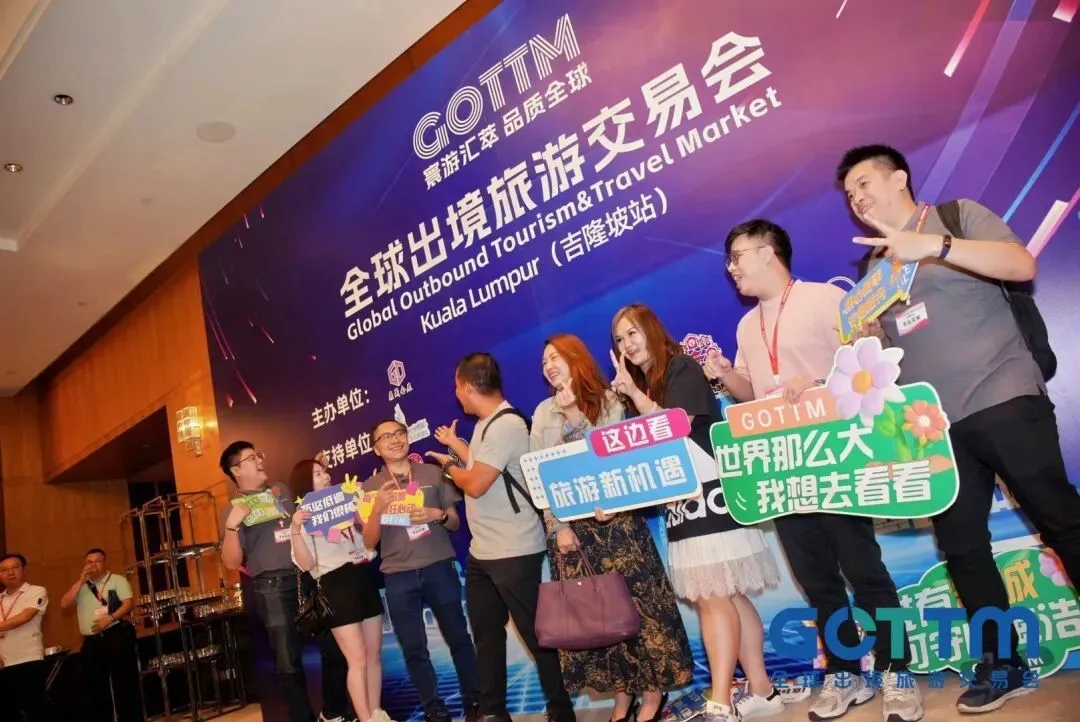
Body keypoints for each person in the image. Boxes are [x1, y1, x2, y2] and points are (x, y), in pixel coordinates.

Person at [836, 144, 1080, 714]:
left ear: (899, 177)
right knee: (963, 547)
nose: (857, 197)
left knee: (1061, 519)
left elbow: (1022, 265)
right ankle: (1003, 663)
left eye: (864, 182)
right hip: (936, 428)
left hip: (1003, 393)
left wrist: (934, 246)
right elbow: (895, 353)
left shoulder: (955, 216)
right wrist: (870, 340)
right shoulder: (873, 272)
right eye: (849, 194)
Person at [705, 219, 922, 721]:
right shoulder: (746, 326)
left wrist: (820, 382)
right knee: (817, 579)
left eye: (737, 257)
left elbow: (866, 367)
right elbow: (753, 395)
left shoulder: (826, 299)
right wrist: (727, 375)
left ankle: (898, 669)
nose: (732, 268)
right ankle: (845, 672)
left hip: (835, 458)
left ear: (768, 252)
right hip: (783, 469)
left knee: (864, 569)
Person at [610, 304, 781, 722]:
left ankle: (720, 703)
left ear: (652, 330)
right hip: (680, 502)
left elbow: (677, 425)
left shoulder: (681, 367)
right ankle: (763, 689)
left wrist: (634, 396)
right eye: (619, 339)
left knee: (713, 598)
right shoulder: (643, 384)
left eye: (633, 333)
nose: (627, 344)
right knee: (727, 595)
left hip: (710, 494)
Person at [530, 334, 694, 722]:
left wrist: (574, 414)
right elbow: (540, 475)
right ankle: (622, 694)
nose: (549, 366)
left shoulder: (609, 401)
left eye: (555, 358)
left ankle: (652, 692)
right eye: (544, 362)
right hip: (573, 534)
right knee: (600, 619)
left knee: (639, 612)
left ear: (576, 358)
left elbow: (608, 458)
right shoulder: (542, 412)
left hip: (618, 526)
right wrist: (559, 528)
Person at [427, 352, 576, 722]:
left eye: (456, 387)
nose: (455, 394)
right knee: (487, 635)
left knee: (537, 636)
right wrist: (457, 450)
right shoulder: (484, 424)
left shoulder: (507, 424)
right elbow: (481, 465)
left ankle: (561, 711)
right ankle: (493, 711)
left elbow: (476, 482)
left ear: (466, 386)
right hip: (483, 552)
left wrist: (449, 467)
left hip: (514, 549)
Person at [363, 419, 481, 722]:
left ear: (407, 437)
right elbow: (369, 542)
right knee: (414, 648)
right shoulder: (370, 487)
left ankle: (475, 704)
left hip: (438, 566)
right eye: (386, 437)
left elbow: (454, 523)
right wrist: (377, 509)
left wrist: (436, 514)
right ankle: (434, 711)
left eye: (399, 433)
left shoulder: (432, 472)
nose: (395, 440)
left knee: (459, 637)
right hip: (398, 575)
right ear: (376, 449)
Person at [219, 441, 315, 722]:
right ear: (236, 470)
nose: (260, 460)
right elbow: (232, 562)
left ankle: (335, 711)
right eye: (251, 458)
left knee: (332, 646)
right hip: (273, 588)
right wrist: (232, 526)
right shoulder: (233, 508)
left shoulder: (280, 490)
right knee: (288, 660)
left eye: (259, 455)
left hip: (306, 576)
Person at [290, 458, 389, 722]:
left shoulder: (347, 502)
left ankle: (377, 713)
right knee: (357, 660)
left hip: (363, 577)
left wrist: (364, 507)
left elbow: (370, 546)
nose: (325, 477)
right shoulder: (304, 519)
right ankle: (365, 718)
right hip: (335, 586)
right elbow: (306, 564)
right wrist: (295, 528)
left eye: (324, 472)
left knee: (374, 654)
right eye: (316, 474)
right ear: (304, 484)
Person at [59, 548, 142, 722]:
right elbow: (64, 603)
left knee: (125, 684)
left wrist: (110, 618)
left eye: (97, 561)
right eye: (89, 562)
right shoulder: (81, 586)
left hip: (115, 635)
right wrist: (81, 581)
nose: (93, 565)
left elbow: (128, 603)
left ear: (104, 563)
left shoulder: (117, 580)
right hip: (91, 641)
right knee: (93, 687)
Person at [0, 553, 50, 722]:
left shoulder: (36, 591)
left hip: (29, 660)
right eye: (4, 570)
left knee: (36, 711)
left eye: (15, 567)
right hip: (4, 663)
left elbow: (25, 617)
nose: (10, 572)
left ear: (23, 569)